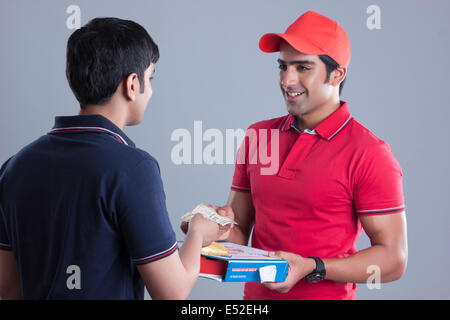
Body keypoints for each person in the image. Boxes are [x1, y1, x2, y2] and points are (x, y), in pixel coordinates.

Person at [0, 17, 231, 300]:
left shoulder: (14, 167)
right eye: (151, 77)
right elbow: (172, 292)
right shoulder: (133, 168)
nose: (152, 90)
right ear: (133, 84)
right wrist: (198, 232)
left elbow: (9, 287)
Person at [182, 10, 407, 300]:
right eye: (282, 66)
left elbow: (393, 260)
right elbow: (239, 234)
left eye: (302, 68)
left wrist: (313, 267)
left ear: (337, 74)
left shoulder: (369, 153)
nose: (287, 80)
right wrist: (210, 231)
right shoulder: (259, 137)